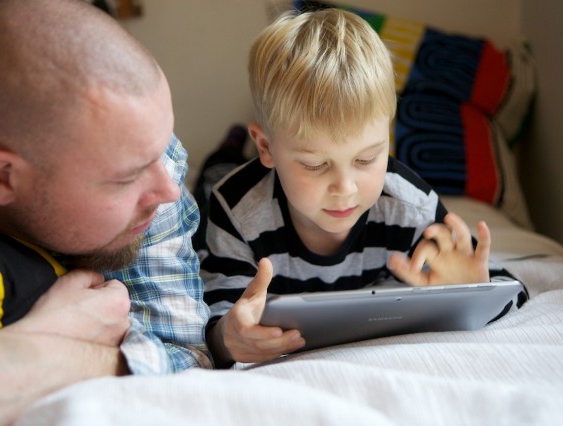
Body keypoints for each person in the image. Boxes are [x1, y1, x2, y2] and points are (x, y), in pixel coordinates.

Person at [200, 8, 527, 367]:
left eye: (366, 159)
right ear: (266, 148)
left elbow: (511, 291)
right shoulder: (235, 209)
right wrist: (227, 340)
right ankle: (229, 148)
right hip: (228, 180)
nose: (345, 187)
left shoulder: (408, 205)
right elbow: (215, 324)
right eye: (315, 164)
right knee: (214, 173)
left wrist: (471, 290)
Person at [0, 0, 211, 424]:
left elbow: (189, 356)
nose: (168, 190)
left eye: (161, 149)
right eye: (125, 178)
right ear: (1, 177)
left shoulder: (150, 163)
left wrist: (40, 357)